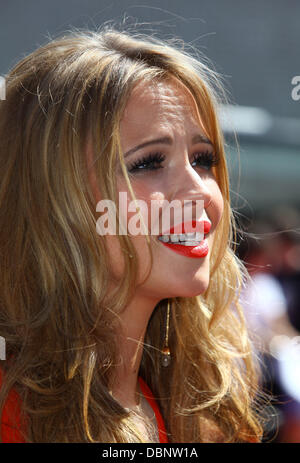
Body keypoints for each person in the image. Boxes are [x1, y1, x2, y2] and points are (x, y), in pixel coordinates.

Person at [0, 27, 263, 443]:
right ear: (50, 197)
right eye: (148, 163)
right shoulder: (10, 413)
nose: (199, 190)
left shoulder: (200, 409)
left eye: (203, 158)